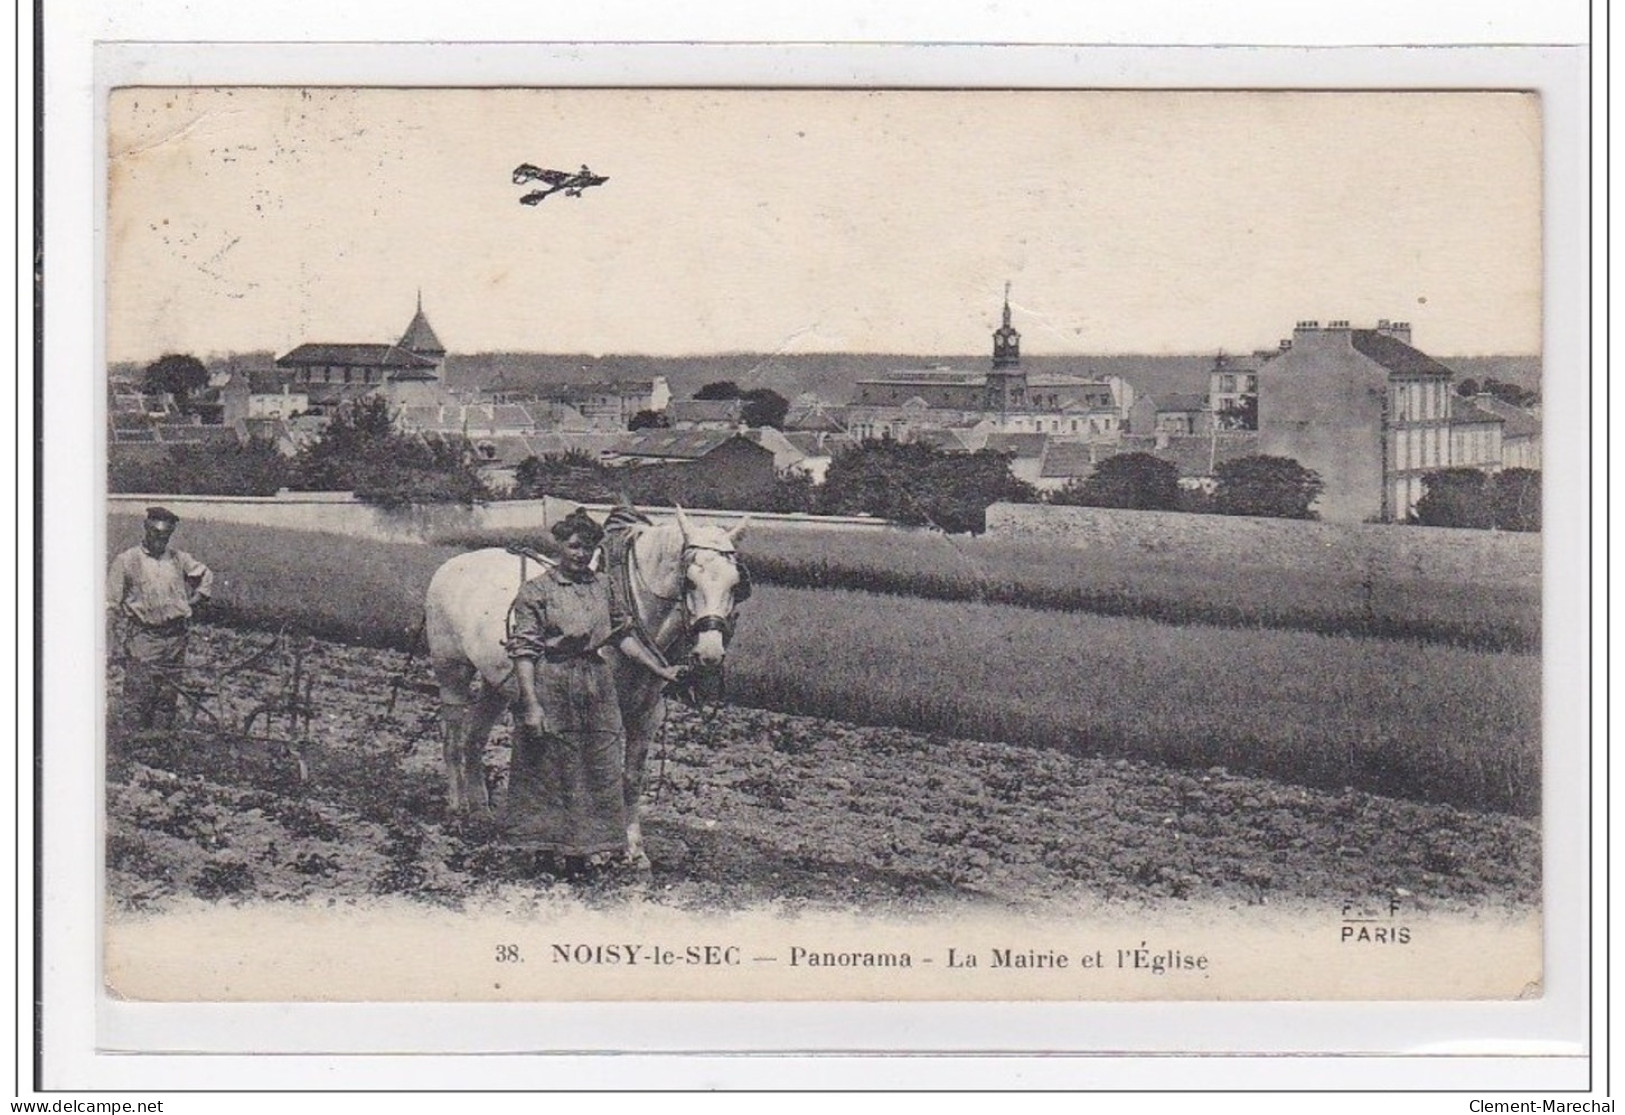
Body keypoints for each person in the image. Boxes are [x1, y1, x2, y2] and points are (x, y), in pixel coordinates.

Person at [505, 508, 680, 874]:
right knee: (548, 766)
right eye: (573, 546)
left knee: (595, 766)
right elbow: (524, 652)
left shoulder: (604, 587)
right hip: (552, 679)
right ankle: (544, 851)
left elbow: (623, 636)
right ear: (560, 546)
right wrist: (531, 704)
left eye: (587, 548)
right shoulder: (537, 591)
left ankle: (581, 852)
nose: (580, 554)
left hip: (597, 683)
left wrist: (659, 668)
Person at [106, 507, 215, 734]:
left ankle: (160, 746)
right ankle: (133, 748)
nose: (160, 540)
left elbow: (205, 575)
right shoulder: (127, 561)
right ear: (146, 530)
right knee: (139, 696)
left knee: (167, 696)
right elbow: (111, 605)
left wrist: (196, 599)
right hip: (145, 638)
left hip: (175, 638)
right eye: (156, 534)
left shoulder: (178, 559)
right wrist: (112, 643)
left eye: (165, 536)